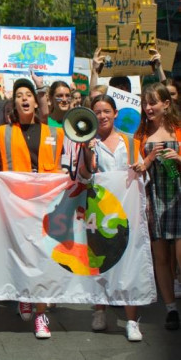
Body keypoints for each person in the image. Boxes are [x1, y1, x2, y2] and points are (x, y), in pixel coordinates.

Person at [0, 78, 64, 339]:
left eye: (28, 93)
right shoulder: (1, 133)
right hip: (15, 204)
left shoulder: (55, 133)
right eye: (19, 95)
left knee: (42, 258)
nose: (24, 98)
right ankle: (25, 295)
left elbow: (58, 167)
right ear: (14, 103)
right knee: (21, 254)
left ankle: (41, 315)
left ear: (35, 99)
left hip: (45, 204)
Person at [76, 95, 144, 341]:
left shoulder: (131, 140)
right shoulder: (87, 141)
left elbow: (140, 174)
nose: (102, 116)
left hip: (128, 210)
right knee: (101, 260)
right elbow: (83, 176)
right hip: (100, 210)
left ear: (115, 114)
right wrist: (86, 151)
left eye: (106, 111)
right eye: (97, 112)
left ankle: (132, 320)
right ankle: (100, 310)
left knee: (130, 262)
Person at [134, 82, 181, 331]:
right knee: (160, 257)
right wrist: (148, 159)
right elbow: (136, 167)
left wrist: (180, 159)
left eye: (153, 102)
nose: (148, 107)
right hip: (154, 198)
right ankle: (171, 309)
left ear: (166, 103)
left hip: (179, 197)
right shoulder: (141, 134)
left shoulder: (178, 129)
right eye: (145, 102)